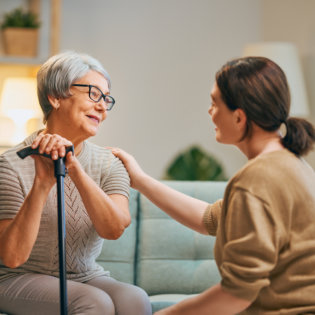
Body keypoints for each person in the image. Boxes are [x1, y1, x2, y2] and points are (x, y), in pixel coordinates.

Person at [111, 56, 315, 314]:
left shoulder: (258, 178)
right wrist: (139, 180)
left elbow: (237, 293)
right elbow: (209, 218)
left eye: (214, 103)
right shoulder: (291, 165)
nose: (210, 112)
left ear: (239, 117)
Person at [0, 51, 151, 315]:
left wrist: (75, 168)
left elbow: (114, 228)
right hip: (16, 277)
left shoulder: (109, 163)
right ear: (55, 96)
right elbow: (12, 258)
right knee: (94, 302)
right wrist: (42, 183)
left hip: (85, 275)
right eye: (93, 94)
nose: (102, 107)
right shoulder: (9, 164)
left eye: (106, 98)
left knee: (135, 299)